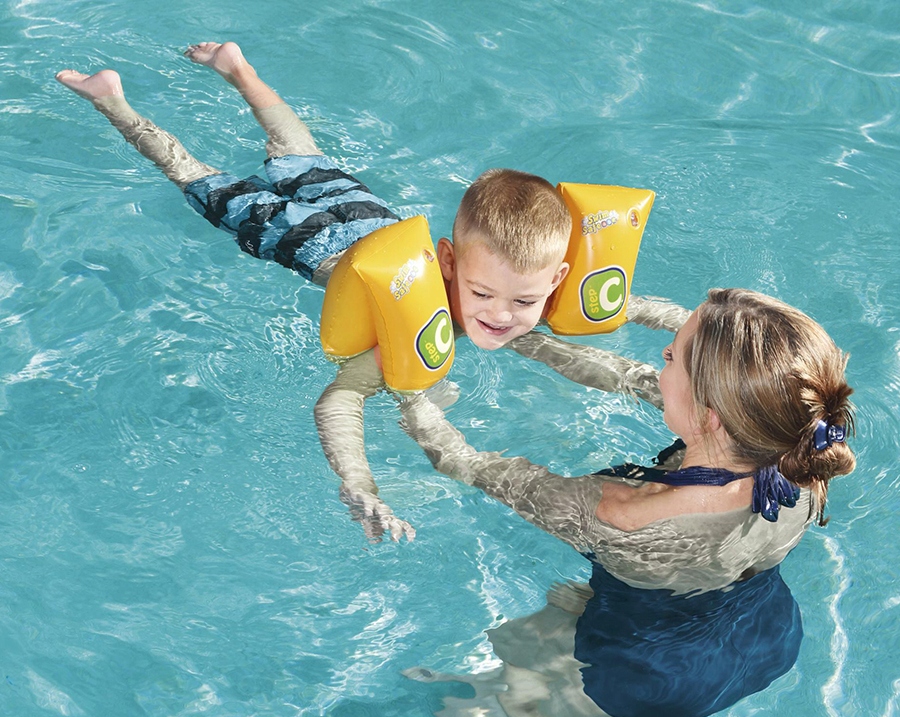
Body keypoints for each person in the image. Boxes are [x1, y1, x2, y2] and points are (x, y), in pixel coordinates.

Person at [56, 42, 688, 542]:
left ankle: (238, 69)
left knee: (301, 155)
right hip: (301, 242)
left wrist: (694, 321)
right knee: (201, 181)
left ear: (557, 279)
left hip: (371, 221)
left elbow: (636, 306)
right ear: (446, 261)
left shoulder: (527, 290)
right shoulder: (413, 321)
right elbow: (337, 402)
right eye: (481, 294)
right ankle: (116, 104)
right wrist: (359, 484)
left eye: (525, 302)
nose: (502, 315)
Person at [399, 287, 855, 717]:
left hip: (646, 677)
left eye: (671, 356)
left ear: (709, 414)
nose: (658, 358)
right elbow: (631, 377)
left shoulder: (622, 512)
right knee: (565, 613)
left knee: (517, 683)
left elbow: (465, 464)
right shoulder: (795, 450)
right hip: (767, 633)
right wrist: (523, 334)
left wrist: (410, 389)